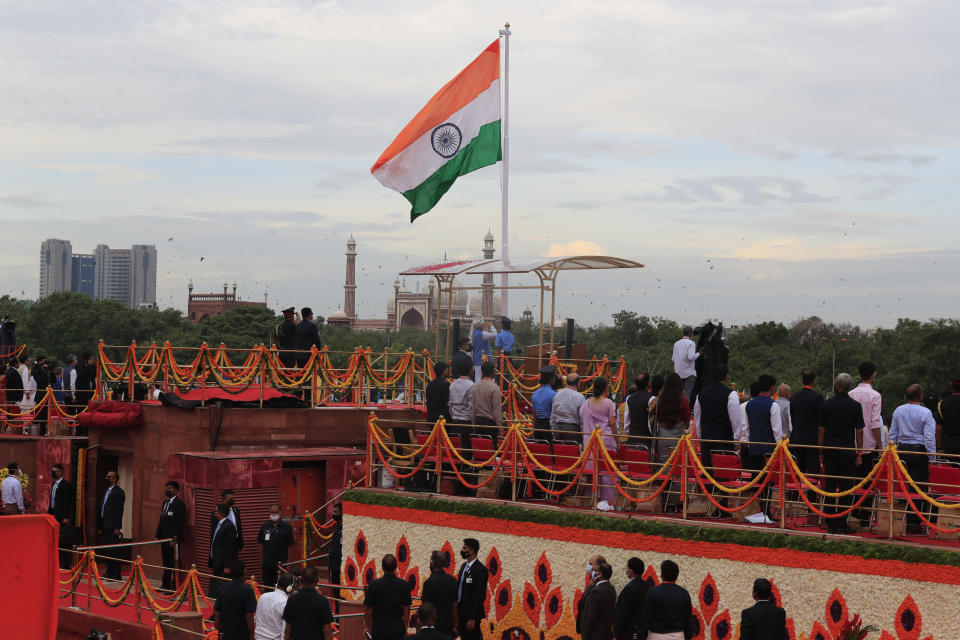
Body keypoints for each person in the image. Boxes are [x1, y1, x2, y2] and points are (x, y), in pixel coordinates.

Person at [818, 373, 864, 534]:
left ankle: (831, 522)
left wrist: (821, 450)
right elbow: (859, 432)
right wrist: (859, 453)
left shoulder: (827, 404)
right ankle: (842, 521)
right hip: (847, 451)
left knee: (830, 487)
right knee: (846, 488)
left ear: (837, 385)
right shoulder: (855, 406)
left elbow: (821, 430)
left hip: (830, 450)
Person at [889, 384, 937, 534]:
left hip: (901, 450)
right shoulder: (926, 412)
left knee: (903, 485)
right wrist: (932, 457)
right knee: (917, 486)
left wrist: (890, 451)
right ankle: (914, 523)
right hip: (918, 451)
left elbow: (892, 434)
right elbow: (929, 438)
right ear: (921, 396)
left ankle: (902, 519)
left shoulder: (898, 410)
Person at [693, 364, 740, 476]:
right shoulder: (731, 394)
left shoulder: (701, 394)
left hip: (706, 440)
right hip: (724, 440)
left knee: (708, 473)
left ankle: (708, 491)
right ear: (726, 376)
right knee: (723, 475)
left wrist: (700, 436)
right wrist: (737, 439)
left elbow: (697, 418)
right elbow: (735, 420)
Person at [580, 377, 618, 510]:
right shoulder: (609, 403)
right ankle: (607, 502)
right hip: (606, 441)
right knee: (606, 472)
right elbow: (613, 424)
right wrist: (617, 439)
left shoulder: (586, 403)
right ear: (606, 388)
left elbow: (582, 417)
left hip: (590, 442)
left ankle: (591, 500)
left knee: (593, 472)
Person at [637, 560, 695, 640]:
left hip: (656, 636)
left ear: (661, 575)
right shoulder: (684, 593)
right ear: (676, 575)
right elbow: (689, 621)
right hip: (678, 636)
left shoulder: (652, 592)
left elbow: (645, 619)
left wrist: (641, 636)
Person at [364, 554, 412, 640]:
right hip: (397, 629)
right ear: (396, 567)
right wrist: (404, 628)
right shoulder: (404, 585)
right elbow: (406, 609)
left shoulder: (374, 585)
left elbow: (369, 609)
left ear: (382, 567)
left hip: (379, 629)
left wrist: (367, 627)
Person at [282, 565, 335, 640]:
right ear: (316, 581)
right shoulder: (323, 601)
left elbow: (288, 629)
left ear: (301, 580)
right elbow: (327, 631)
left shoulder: (292, 599)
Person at [789, 370, 824, 482]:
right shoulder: (818, 397)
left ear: (802, 380)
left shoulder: (794, 397)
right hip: (812, 442)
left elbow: (793, 419)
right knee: (812, 473)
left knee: (797, 471)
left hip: (797, 439)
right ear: (814, 381)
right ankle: (811, 497)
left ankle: (795, 497)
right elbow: (820, 424)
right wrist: (821, 446)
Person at [848, 362, 884, 462]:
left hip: (852, 444)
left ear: (859, 374)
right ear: (873, 375)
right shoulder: (875, 396)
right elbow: (875, 424)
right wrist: (880, 447)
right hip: (870, 446)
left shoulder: (850, 394)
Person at [215, 558, 258, 640]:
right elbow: (249, 615)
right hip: (242, 635)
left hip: (226, 633)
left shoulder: (223, 588)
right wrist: (252, 636)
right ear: (244, 571)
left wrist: (216, 633)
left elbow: (217, 613)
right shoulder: (248, 590)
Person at [156, 481, 186, 591]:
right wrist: (158, 535)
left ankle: (175, 585)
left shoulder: (179, 504)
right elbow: (162, 520)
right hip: (164, 538)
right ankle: (166, 584)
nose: (168, 490)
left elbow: (179, 523)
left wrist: (174, 538)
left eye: (171, 488)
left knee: (174, 563)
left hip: (173, 540)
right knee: (166, 562)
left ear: (177, 491)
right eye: (167, 488)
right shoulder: (165, 502)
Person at [420, 550, 459, 637]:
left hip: (433, 629)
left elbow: (425, 608)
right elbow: (455, 605)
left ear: (432, 562)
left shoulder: (429, 583)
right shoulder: (452, 581)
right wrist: (454, 627)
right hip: (448, 628)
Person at [456, 538, 489, 640]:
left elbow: (480, 595)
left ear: (472, 551)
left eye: (464, 548)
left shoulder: (480, 570)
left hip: (471, 615)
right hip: (460, 612)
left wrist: (473, 618)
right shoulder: (463, 566)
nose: (462, 550)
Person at [258, 503, 295, 587]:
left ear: (280, 513)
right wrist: (261, 561)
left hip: (281, 565)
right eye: (271, 512)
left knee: (281, 588)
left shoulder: (287, 527)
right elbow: (261, 543)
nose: (273, 514)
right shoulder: (264, 526)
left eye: (276, 512)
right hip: (267, 564)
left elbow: (290, 546)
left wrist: (288, 564)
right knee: (267, 587)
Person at [97, 470, 125, 580]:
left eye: (109, 477)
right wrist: (100, 526)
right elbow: (102, 508)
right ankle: (109, 571)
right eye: (107, 476)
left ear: (115, 479)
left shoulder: (119, 492)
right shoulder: (107, 491)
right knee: (107, 550)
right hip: (105, 524)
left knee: (114, 551)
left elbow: (119, 511)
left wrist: (117, 527)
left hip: (113, 526)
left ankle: (116, 573)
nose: (107, 478)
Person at [615, 557, 650, 640]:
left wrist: (617, 633)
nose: (626, 570)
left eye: (627, 568)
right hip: (642, 632)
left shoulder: (630, 588)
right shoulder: (648, 586)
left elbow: (623, 612)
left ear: (630, 571)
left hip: (628, 632)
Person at [580, 561, 617, 640]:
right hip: (606, 634)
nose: (592, 572)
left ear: (599, 574)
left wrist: (585, 636)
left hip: (595, 635)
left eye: (594, 571)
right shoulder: (611, 589)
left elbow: (590, 617)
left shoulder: (597, 591)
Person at [210, 503, 239, 599]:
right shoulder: (219, 524)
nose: (215, 512)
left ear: (221, 513)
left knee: (223, 588)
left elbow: (229, 548)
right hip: (216, 561)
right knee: (217, 587)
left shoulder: (229, 526)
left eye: (216, 510)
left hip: (223, 564)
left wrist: (227, 566)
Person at [49, 462, 75, 566]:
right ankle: (57, 560)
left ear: (60, 472)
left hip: (62, 516)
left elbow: (67, 502)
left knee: (63, 539)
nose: (52, 473)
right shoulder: (54, 484)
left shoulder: (66, 485)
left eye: (54, 472)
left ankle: (64, 562)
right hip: (53, 514)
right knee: (55, 538)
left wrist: (66, 516)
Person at [255, 573, 294, 640]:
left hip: (258, 637)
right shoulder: (286, 602)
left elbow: (256, 619)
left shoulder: (263, 596)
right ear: (289, 588)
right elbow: (286, 629)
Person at [576, 554, 607, 636]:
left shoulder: (600, 586)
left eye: (591, 564)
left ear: (598, 567)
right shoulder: (592, 582)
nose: (588, 567)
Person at [471, 360, 502, 439]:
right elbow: (497, 410)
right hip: (490, 424)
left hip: (478, 422)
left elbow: (473, 408)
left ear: (482, 372)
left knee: (479, 449)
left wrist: (473, 424)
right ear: (493, 372)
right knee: (491, 449)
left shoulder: (475, 386)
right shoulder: (495, 388)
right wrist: (500, 428)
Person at [552, 372, 585, 443]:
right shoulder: (580, 397)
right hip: (572, 429)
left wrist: (553, 430)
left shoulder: (557, 394)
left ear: (566, 382)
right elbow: (582, 418)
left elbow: (553, 415)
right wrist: (583, 435)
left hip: (557, 427)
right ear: (578, 383)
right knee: (571, 452)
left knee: (559, 451)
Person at [671, 327, 701, 405]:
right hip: (689, 373)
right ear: (690, 334)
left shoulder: (676, 343)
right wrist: (699, 354)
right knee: (687, 395)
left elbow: (673, 359)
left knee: (678, 395)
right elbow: (691, 357)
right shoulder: (691, 343)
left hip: (678, 373)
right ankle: (685, 413)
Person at [447, 365, 475, 442]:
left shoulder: (453, 384)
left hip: (454, 420)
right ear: (470, 371)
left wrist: (453, 416)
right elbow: (471, 406)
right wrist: (473, 424)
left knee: (456, 447)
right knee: (465, 449)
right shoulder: (471, 385)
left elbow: (450, 404)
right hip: (465, 421)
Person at [624, 373, 653, 443]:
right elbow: (651, 423)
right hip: (646, 441)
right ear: (649, 383)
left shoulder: (629, 399)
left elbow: (626, 422)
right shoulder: (651, 399)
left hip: (632, 439)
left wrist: (628, 435)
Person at [531, 366, 557, 441]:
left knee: (539, 449)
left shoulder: (535, 394)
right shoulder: (554, 394)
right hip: (548, 425)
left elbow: (534, 414)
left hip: (538, 425)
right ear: (551, 379)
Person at [470, 317, 497, 382]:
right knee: (489, 377)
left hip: (476, 359)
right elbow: (495, 334)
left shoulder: (473, 333)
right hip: (484, 359)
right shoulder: (482, 334)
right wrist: (491, 326)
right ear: (481, 325)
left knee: (478, 378)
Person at [939, 371, 960, 456]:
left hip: (951, 445)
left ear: (952, 386)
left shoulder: (942, 404)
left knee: (952, 468)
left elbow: (938, 428)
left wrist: (939, 448)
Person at [4, 357, 23, 433]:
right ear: (15, 363)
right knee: (13, 413)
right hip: (13, 396)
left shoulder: (10, 371)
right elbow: (17, 385)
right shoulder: (13, 372)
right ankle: (11, 428)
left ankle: (9, 428)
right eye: (18, 363)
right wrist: (19, 396)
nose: (19, 364)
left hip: (11, 396)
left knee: (11, 412)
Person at [329, 502, 343, 601]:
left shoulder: (346, 527)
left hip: (341, 567)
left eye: (336, 512)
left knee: (340, 594)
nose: (333, 514)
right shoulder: (337, 526)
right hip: (334, 566)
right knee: (335, 594)